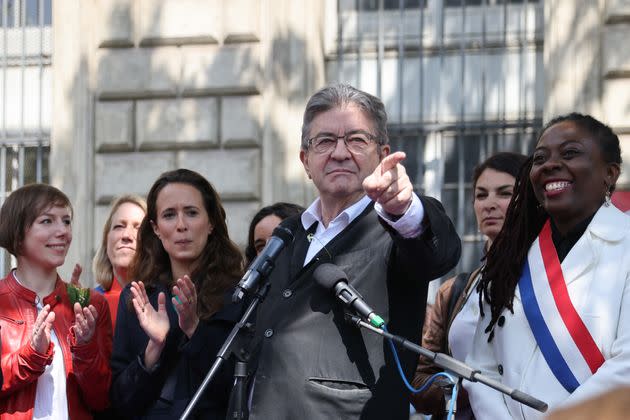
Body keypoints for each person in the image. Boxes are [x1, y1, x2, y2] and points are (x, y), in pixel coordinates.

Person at [246, 83, 461, 420]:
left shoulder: (395, 225)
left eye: (357, 140)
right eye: (325, 141)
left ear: (382, 154)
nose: (340, 152)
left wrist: (404, 209)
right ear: (306, 159)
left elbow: (438, 254)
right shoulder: (289, 233)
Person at [464, 113, 630, 418]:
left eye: (570, 153)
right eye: (540, 158)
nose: (550, 164)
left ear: (610, 174)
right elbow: (481, 366)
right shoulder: (509, 257)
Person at [109, 169, 244, 419]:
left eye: (191, 213)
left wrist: (194, 329)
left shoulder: (239, 294)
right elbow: (120, 404)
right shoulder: (137, 296)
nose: (181, 225)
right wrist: (154, 348)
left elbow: (242, 390)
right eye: (169, 215)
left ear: (211, 222)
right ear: (156, 228)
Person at [411, 152, 527, 419]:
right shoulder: (455, 290)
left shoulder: (551, 278)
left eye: (505, 193)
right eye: (481, 195)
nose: (489, 204)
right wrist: (459, 391)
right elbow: (420, 375)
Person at [0, 183, 112, 419]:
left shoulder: (90, 304)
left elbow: (102, 399)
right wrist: (32, 355)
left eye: (67, 221)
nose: (63, 231)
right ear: (17, 233)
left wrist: (85, 348)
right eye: (47, 221)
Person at [93, 195, 147, 328]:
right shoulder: (91, 304)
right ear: (106, 240)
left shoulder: (165, 301)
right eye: (119, 226)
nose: (126, 235)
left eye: (138, 228)